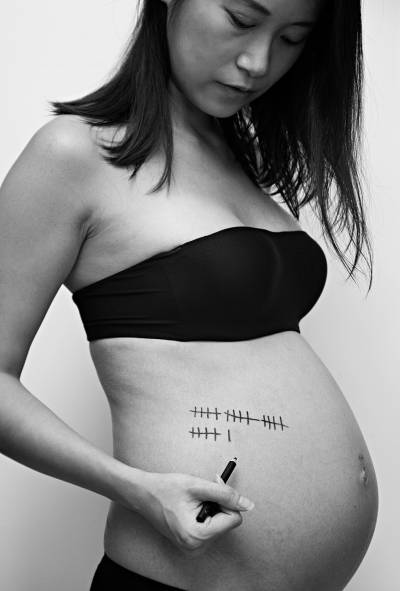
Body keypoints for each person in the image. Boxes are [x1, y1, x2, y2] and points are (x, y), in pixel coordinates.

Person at [0, 0, 379, 589]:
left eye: (293, 38)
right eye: (241, 19)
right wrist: (137, 487)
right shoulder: (75, 153)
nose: (259, 62)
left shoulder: (235, 162)